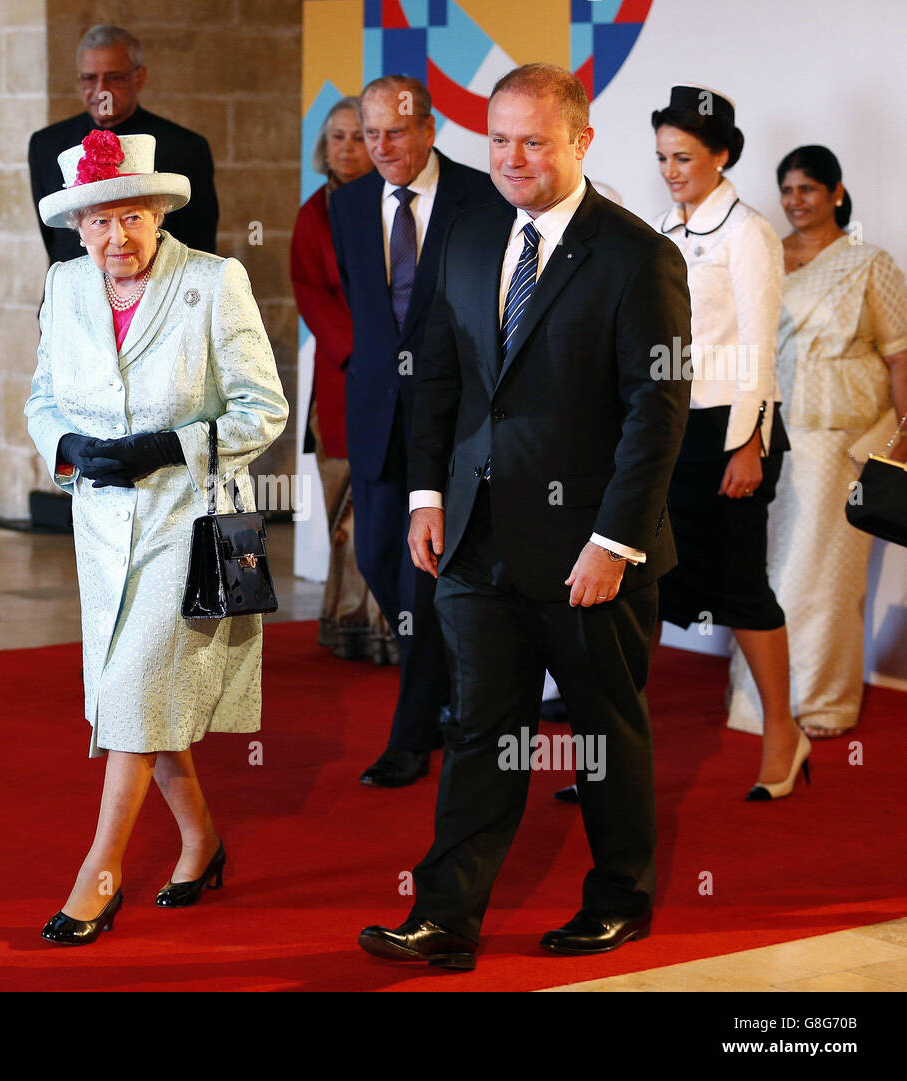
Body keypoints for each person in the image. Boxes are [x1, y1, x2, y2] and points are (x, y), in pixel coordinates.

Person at [358, 63, 691, 969]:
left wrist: (614, 541)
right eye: (498, 138)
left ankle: (621, 898)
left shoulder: (637, 256)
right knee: (479, 729)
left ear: (582, 141)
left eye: (534, 140)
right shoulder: (465, 237)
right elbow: (438, 374)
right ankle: (445, 916)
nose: (512, 157)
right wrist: (428, 494)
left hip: (590, 551)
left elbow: (655, 412)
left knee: (602, 731)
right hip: (474, 538)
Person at [23, 130, 288, 945]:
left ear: (160, 211)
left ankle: (97, 877)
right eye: (100, 224)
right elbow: (42, 398)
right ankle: (202, 842)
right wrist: (68, 451)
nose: (118, 238)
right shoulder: (66, 286)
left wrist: (167, 445)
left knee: (132, 691)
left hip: (189, 521)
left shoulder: (214, 281)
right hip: (100, 526)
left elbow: (264, 408)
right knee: (137, 698)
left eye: (133, 217)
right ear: (78, 229)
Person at [329, 75, 499, 787]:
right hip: (374, 414)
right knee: (375, 557)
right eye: (370, 134)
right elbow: (363, 310)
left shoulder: (482, 198)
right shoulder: (348, 204)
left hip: (452, 420)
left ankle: (411, 735)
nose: (382, 146)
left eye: (395, 133)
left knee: (427, 577)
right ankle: (462, 681)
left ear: (429, 129)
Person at [650, 85, 806, 801]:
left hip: (729, 430)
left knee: (742, 589)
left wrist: (750, 445)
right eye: (662, 157)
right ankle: (618, 754)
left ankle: (783, 731)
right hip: (669, 430)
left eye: (683, 156)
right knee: (643, 588)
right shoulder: (667, 231)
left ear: (722, 155)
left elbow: (760, 347)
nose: (671, 170)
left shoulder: (749, 233)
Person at [727, 146, 907, 739]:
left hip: (840, 445)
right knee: (764, 574)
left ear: (836, 192)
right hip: (764, 437)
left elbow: (900, 359)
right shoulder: (765, 256)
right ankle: (761, 704)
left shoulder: (869, 263)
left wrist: (905, 439)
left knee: (822, 578)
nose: (795, 201)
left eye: (807, 188)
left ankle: (819, 705)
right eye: (786, 189)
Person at [290, 97, 392, 663]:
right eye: (337, 137)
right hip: (344, 376)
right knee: (344, 521)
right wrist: (363, 349)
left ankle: (392, 626)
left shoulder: (395, 203)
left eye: (359, 136)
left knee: (389, 511)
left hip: (399, 375)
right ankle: (348, 618)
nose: (348, 148)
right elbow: (310, 290)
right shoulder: (314, 214)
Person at [28, 25, 219, 265]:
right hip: (74, 296)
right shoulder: (45, 144)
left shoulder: (186, 147)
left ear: (138, 78)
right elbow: (53, 239)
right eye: (89, 79)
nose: (101, 90)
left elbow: (200, 245)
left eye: (114, 77)